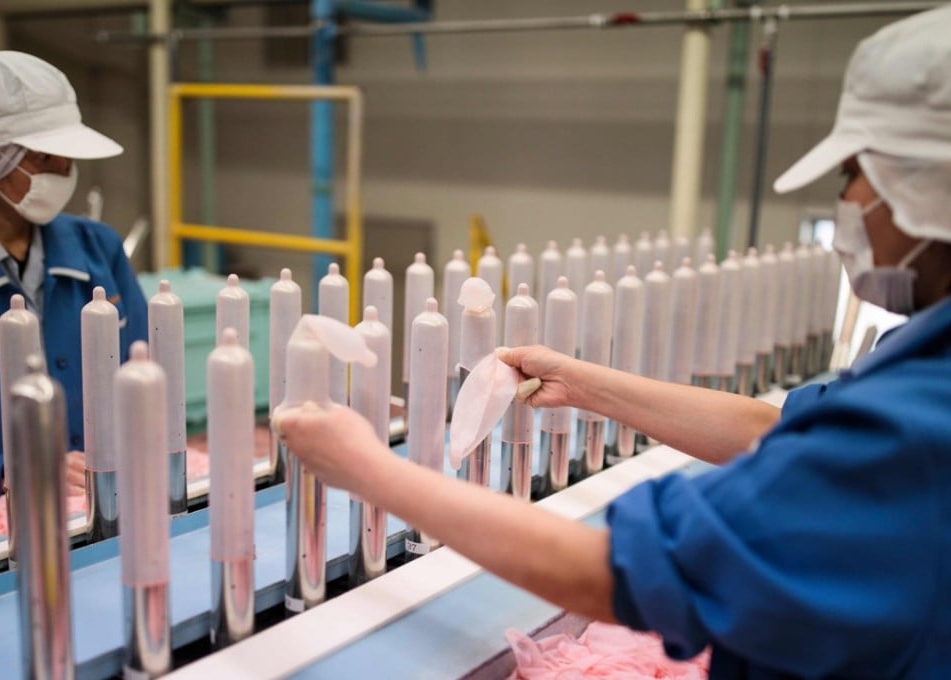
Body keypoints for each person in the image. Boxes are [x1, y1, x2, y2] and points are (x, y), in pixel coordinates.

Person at [275, 6, 951, 678]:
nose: (847, 204)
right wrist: (583, 382)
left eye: (852, 174)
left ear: (927, 186)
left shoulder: (917, 424)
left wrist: (369, 470)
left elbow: (619, 574)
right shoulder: (918, 377)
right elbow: (772, 427)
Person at [0, 51, 148, 508]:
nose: (63, 173)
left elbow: (147, 377)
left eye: (66, 158)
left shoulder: (97, 248)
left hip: (102, 506)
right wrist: (2, 473)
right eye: (44, 158)